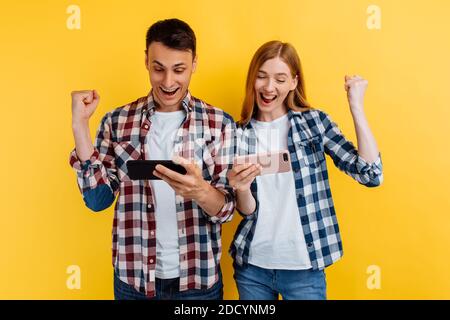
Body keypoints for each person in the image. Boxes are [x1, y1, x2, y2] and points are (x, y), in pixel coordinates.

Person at [69, 18, 236, 300]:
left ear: (194, 63)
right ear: (147, 61)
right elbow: (97, 200)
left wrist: (200, 190)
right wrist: (80, 127)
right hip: (133, 281)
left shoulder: (218, 124)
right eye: (159, 69)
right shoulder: (117, 121)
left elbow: (227, 209)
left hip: (197, 282)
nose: (168, 82)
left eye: (179, 70)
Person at [228, 40, 383, 300]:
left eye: (280, 78)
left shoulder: (314, 123)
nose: (268, 87)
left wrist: (356, 106)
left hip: (304, 270)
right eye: (262, 77)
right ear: (252, 79)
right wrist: (241, 188)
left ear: (293, 82)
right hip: (252, 267)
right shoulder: (236, 134)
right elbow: (246, 210)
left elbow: (370, 174)